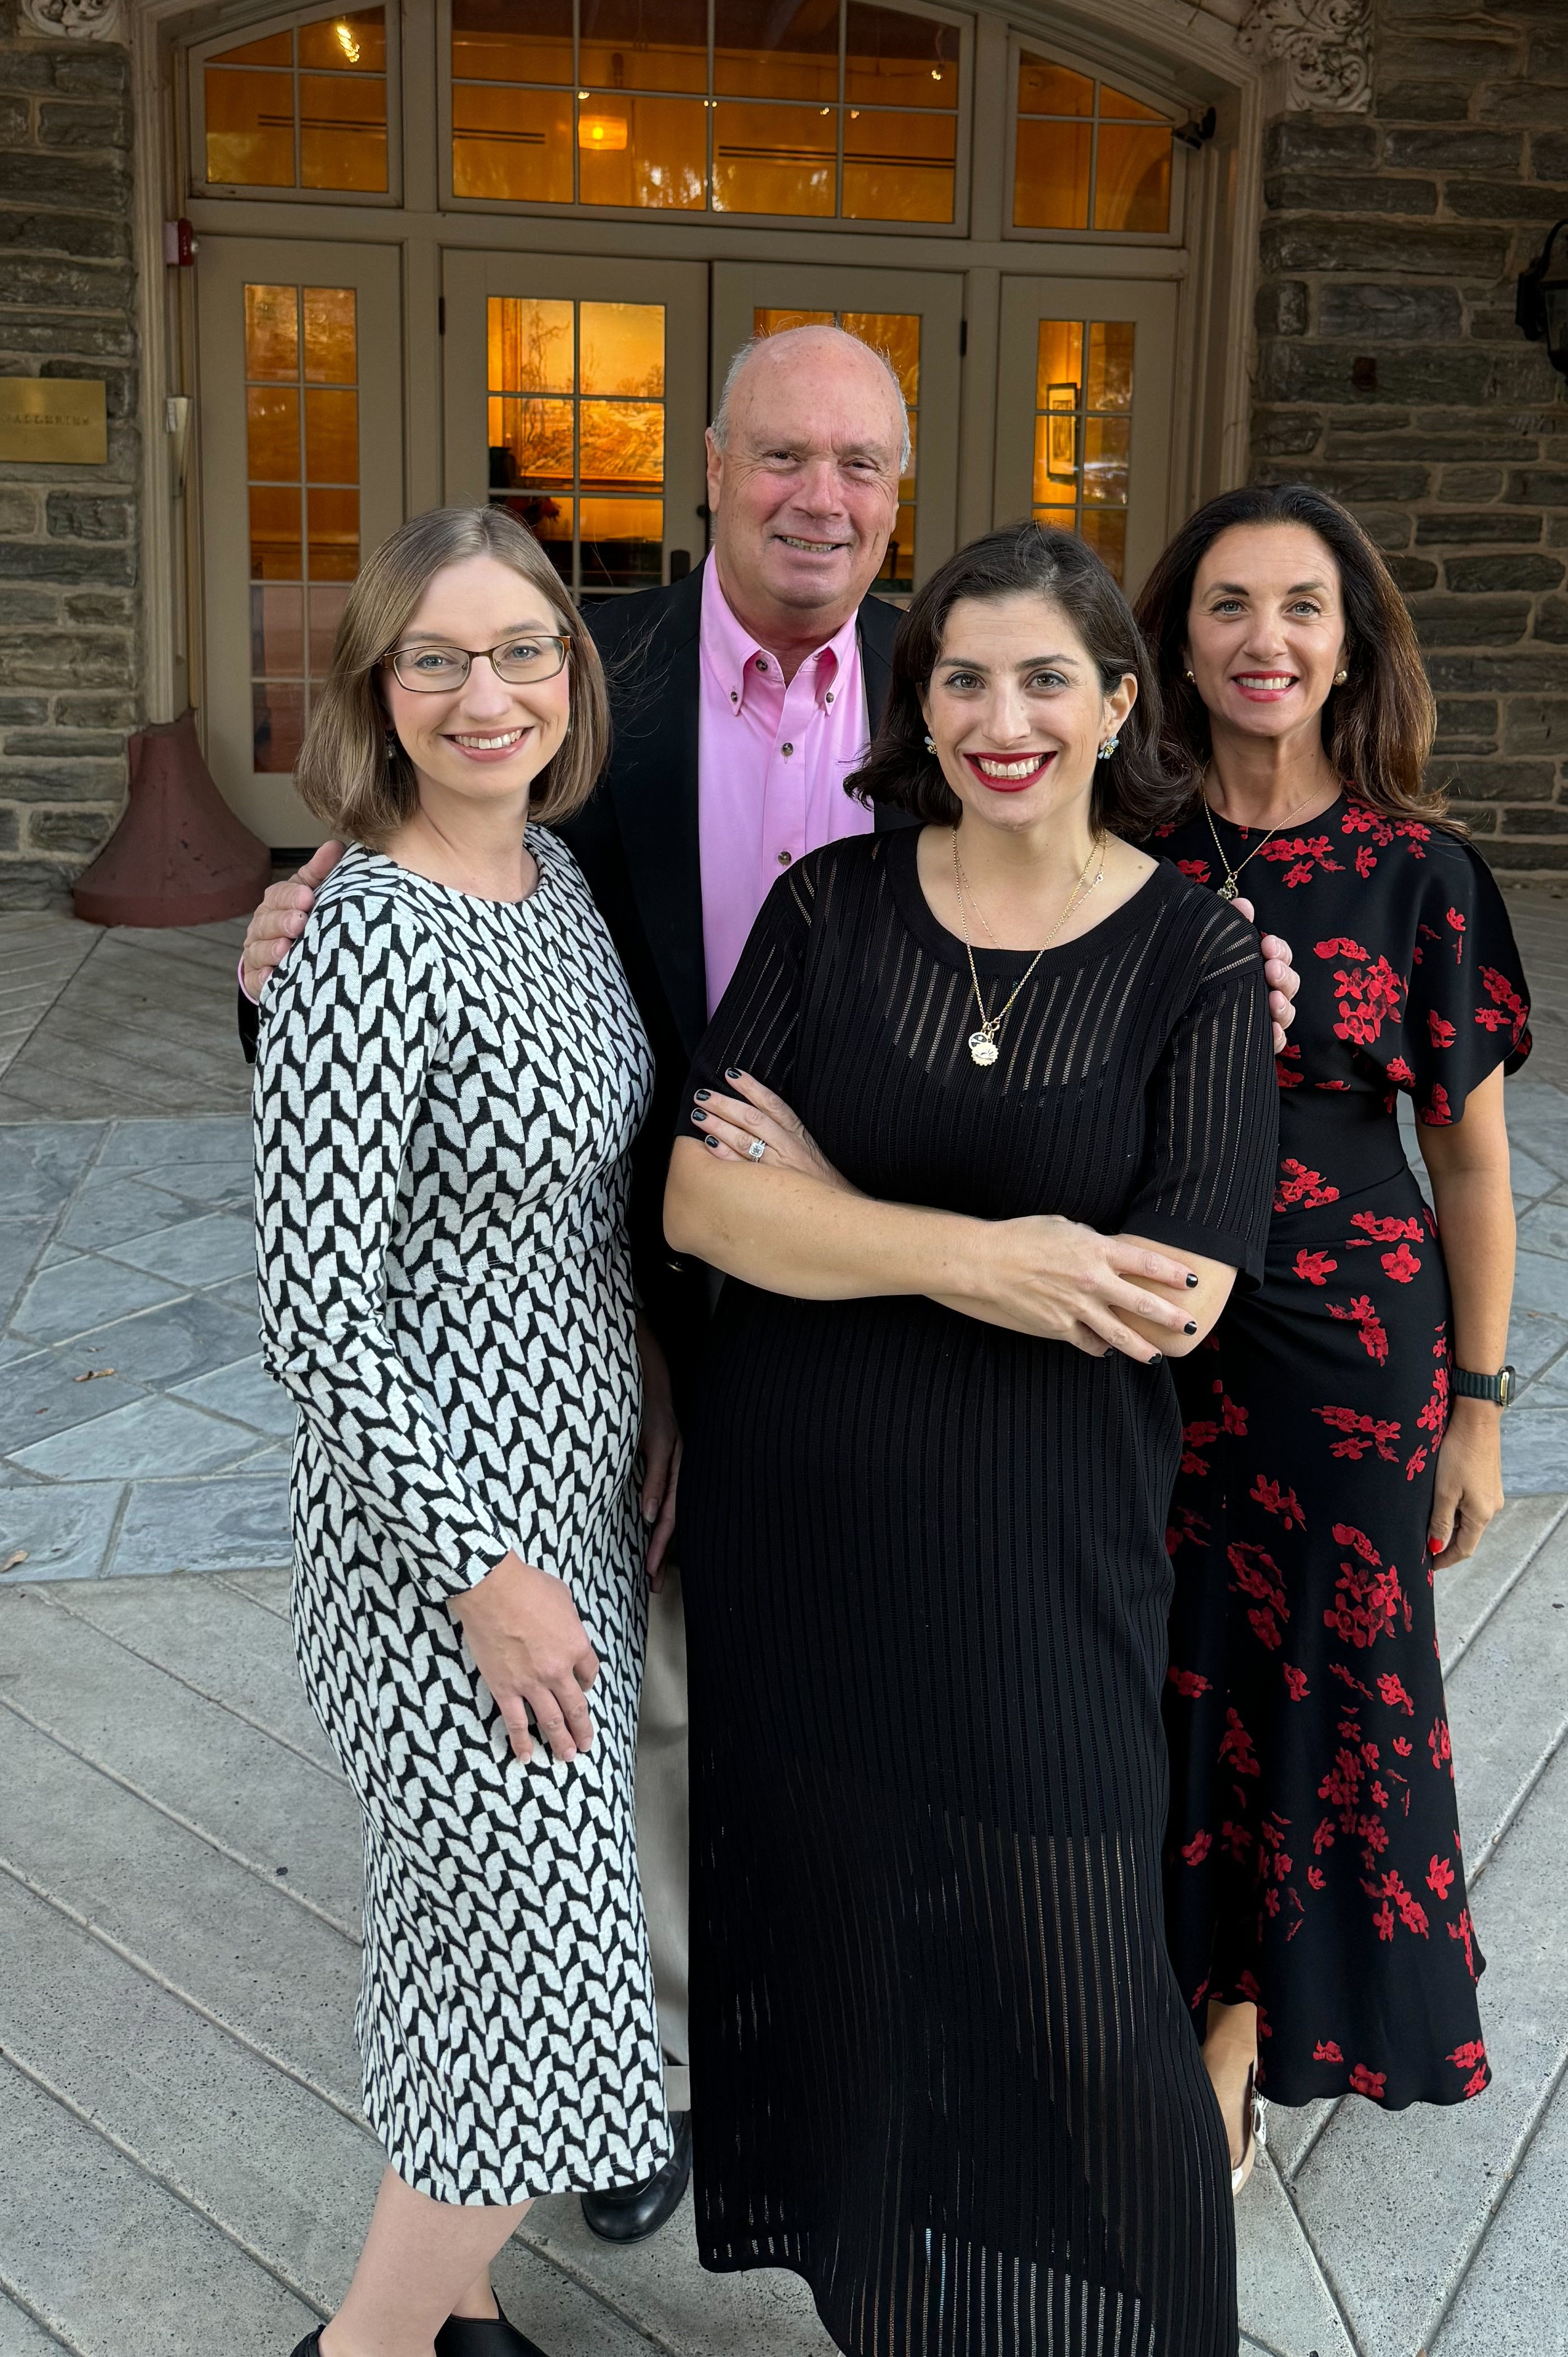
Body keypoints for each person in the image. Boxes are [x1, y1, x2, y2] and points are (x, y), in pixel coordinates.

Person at [235, 325, 1304, 2244]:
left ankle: (863, 2047)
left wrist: (1230, 982)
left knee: (854, 1703)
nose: (822, 496)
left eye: (862, 464)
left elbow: (1083, 863)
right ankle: (644, 2084)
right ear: (711, 467)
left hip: (896, 1313)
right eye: (784, 456)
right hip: (634, 1280)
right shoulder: (572, 673)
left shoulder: (951, 667)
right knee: (634, 1726)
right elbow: (406, 924)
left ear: (900, 493)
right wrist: (284, 965)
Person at [663, 521, 1281, 2357]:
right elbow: (704, 1203)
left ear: (1118, 703)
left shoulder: (1192, 950)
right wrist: (992, 1255)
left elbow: (1174, 1296)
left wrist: (838, 1212)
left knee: (1082, 1968)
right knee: (851, 1938)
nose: (1004, 720)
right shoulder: (829, 909)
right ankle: (893, 2315)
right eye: (963, 679)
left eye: (1044, 680)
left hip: (1044, 1540)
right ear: (918, 706)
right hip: (805, 1527)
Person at [254, 503, 679, 2357]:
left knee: (468, 1950)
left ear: (570, 672)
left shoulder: (556, 882)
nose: (483, 692)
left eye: (521, 650)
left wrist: (647, 1376)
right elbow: (317, 1307)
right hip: (440, 1552)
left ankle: (464, 2310)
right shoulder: (366, 929)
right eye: (435, 658)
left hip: (576, 1505)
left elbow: (577, 1196)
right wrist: (484, 1572)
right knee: (544, 1970)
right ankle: (366, 2340)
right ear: (378, 687)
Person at [1130, 484, 1531, 2186]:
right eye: (1229, 604)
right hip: (1136, 1333)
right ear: (1178, 638)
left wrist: (1480, 1409)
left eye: (1303, 606)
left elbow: (1472, 1161)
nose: (1266, 639)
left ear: (1352, 644)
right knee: (1149, 1664)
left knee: (1303, 1688)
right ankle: (1130, 1991)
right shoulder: (1117, 844)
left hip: (1346, 1356)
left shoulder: (1420, 872)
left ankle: (1234, 2035)